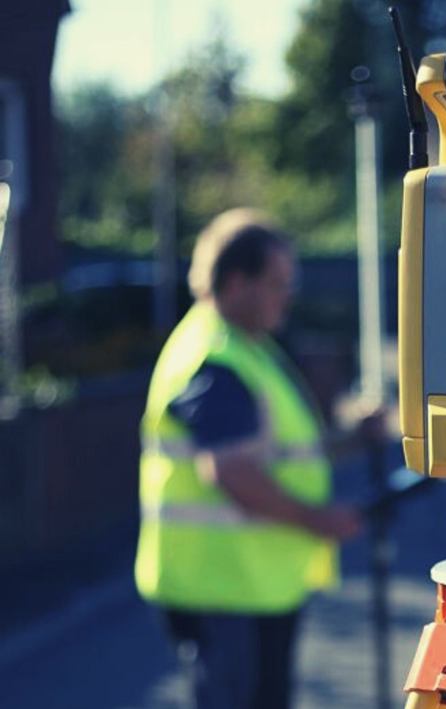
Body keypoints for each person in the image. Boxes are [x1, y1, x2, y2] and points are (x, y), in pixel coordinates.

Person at [135, 208, 375, 709]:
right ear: (236, 282)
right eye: (277, 283)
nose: (288, 295)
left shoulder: (246, 347)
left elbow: (283, 452)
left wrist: (354, 438)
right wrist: (316, 519)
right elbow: (231, 471)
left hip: (246, 587)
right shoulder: (216, 359)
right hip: (222, 589)